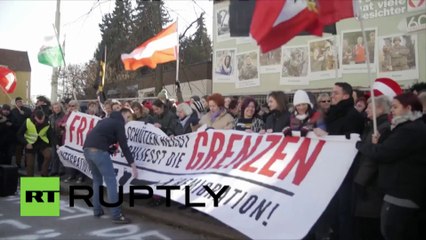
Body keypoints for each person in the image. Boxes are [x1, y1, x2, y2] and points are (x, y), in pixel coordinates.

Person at [356, 93, 426, 240]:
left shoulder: (409, 130)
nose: (392, 110)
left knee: (393, 231)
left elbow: (385, 153)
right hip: (400, 191)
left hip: (401, 193)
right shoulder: (406, 127)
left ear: (408, 108)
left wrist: (362, 146)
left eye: (395, 107)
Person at [313, 82, 364, 240]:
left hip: (345, 172)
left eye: (335, 93)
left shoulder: (352, 115)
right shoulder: (335, 113)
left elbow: (349, 142)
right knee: (333, 210)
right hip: (332, 170)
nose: (331, 96)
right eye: (331, 92)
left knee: (343, 211)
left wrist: (326, 136)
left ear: (346, 96)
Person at [83, 109, 138, 224]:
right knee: (111, 182)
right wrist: (132, 165)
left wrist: (108, 148)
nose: (127, 121)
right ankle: (116, 215)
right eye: (127, 117)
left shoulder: (104, 121)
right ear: (122, 115)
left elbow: (100, 136)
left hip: (87, 149)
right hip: (99, 152)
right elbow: (124, 145)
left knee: (97, 180)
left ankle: (97, 210)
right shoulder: (119, 123)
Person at [353, 95, 391, 240]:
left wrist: (360, 181)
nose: (366, 110)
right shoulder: (372, 126)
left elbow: (373, 159)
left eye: (370, 107)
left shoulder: (382, 128)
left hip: (371, 185)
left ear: (379, 109)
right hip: (366, 183)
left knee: (370, 226)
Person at [17, 110, 51, 176]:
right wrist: (26, 143)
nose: (41, 120)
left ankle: (44, 173)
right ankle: (30, 182)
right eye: (39, 119)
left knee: (48, 156)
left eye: (42, 118)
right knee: (30, 164)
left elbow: (51, 134)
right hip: (30, 143)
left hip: (41, 143)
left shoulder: (47, 122)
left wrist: (56, 144)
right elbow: (19, 134)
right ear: (35, 117)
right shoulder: (28, 121)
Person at [11, 97, 32, 167]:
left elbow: (31, 117)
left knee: (27, 148)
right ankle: (18, 163)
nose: (20, 103)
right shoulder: (13, 111)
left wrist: (24, 114)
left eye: (21, 101)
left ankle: (27, 163)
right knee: (18, 149)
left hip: (27, 132)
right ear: (16, 103)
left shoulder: (27, 110)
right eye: (19, 101)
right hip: (17, 132)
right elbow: (12, 121)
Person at [49, 102, 65, 176]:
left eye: (58, 107)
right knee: (54, 155)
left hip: (62, 137)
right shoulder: (51, 116)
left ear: (60, 108)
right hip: (53, 137)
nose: (56, 109)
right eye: (55, 108)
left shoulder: (64, 116)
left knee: (61, 154)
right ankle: (54, 170)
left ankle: (61, 170)